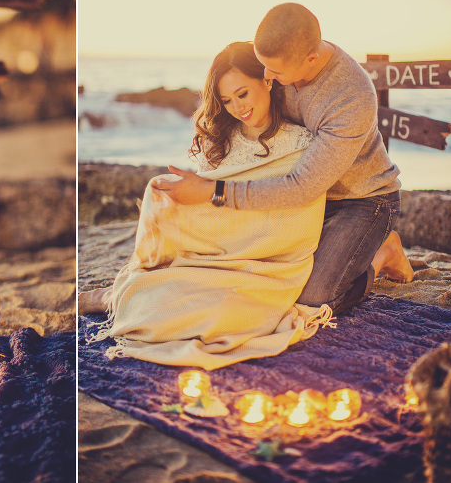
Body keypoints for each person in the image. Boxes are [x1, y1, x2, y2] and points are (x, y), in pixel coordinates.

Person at [81, 41, 331, 369]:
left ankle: (113, 297)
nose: (237, 107)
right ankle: (112, 297)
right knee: (151, 291)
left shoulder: (303, 146)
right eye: (226, 100)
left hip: (268, 269)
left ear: (267, 80)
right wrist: (169, 198)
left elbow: (298, 222)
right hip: (207, 261)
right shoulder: (222, 141)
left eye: (242, 94)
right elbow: (210, 213)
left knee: (226, 314)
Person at [155, 3, 413, 314]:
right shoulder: (279, 60)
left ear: (311, 59)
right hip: (299, 196)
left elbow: (301, 187)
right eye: (264, 66)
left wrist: (215, 191)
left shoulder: (351, 98)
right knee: (255, 275)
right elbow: (244, 93)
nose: (267, 76)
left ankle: (383, 254)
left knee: (312, 296)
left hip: (361, 199)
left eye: (275, 72)